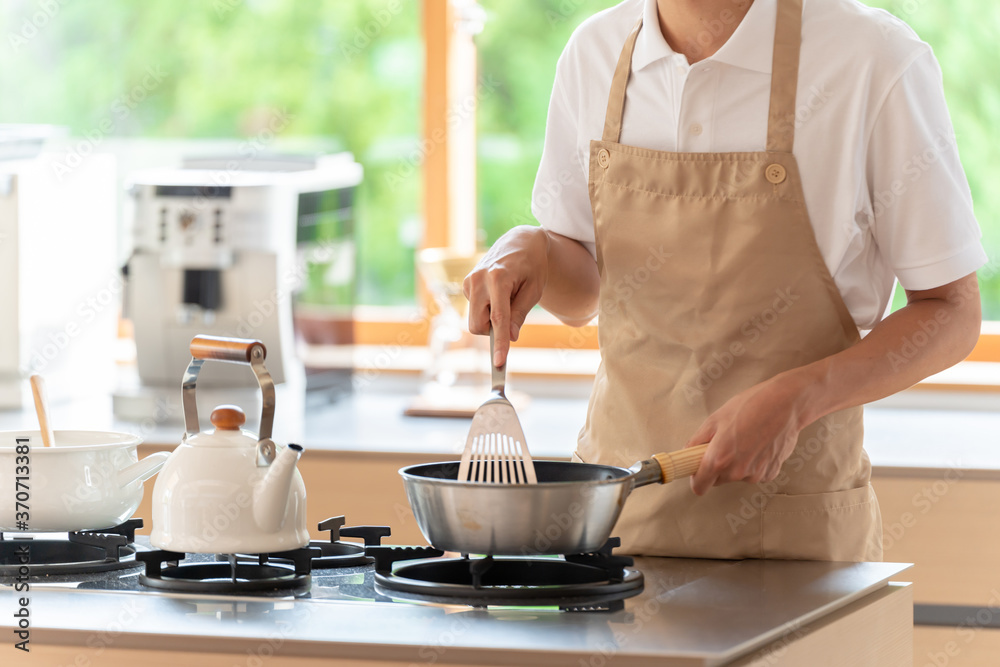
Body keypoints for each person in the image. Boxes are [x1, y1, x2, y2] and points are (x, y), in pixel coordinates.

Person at [463, 0, 986, 561]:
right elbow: (584, 293)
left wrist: (800, 397)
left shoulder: (871, 58)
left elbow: (952, 311)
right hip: (617, 525)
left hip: (796, 540)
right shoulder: (595, 52)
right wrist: (535, 251)